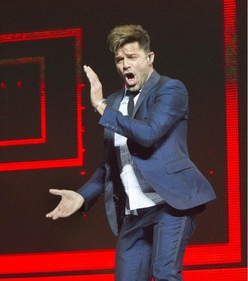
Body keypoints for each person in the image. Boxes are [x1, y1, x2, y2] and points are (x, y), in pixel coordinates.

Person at [46, 24, 216, 281]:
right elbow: (109, 165)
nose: (125, 65)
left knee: (165, 274)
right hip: (134, 212)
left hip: (170, 204)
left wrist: (101, 107)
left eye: (132, 57)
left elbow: (148, 134)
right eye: (119, 59)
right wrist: (82, 197)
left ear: (150, 58)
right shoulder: (114, 103)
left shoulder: (170, 90)